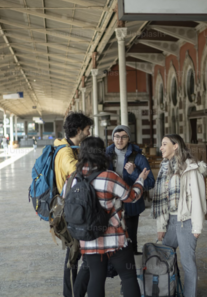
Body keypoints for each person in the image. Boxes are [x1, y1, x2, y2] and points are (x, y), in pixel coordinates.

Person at [74, 136, 150, 297]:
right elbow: (131, 197)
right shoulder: (109, 176)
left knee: (96, 277)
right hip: (115, 238)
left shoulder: (74, 179)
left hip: (89, 238)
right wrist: (140, 180)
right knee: (128, 277)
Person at [152, 134, 207, 297]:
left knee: (187, 263)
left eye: (164, 144)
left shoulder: (190, 167)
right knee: (166, 256)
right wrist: (161, 226)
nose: (161, 147)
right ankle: (173, 289)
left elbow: (198, 198)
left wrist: (197, 226)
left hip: (186, 221)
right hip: (170, 221)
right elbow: (162, 199)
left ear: (175, 146)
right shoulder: (164, 167)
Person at [54, 112, 93, 297]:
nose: (89, 133)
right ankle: (70, 294)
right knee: (73, 254)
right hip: (71, 211)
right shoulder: (65, 151)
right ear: (78, 130)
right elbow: (77, 171)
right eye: (87, 130)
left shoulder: (68, 147)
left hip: (74, 208)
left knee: (75, 252)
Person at [106, 125, 155, 255]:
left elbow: (150, 183)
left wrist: (134, 173)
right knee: (111, 237)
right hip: (110, 205)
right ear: (113, 138)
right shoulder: (106, 157)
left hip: (131, 206)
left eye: (124, 137)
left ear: (129, 138)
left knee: (131, 238)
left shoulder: (138, 158)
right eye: (117, 137)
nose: (120, 140)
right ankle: (114, 265)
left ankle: (131, 267)